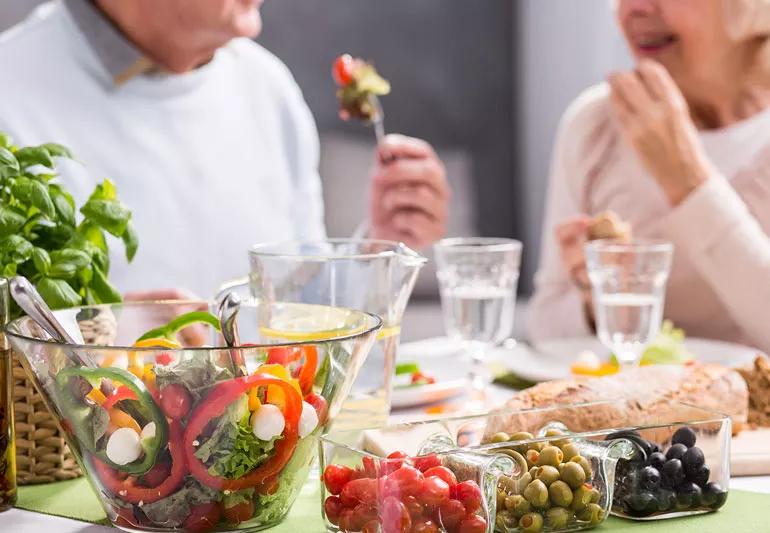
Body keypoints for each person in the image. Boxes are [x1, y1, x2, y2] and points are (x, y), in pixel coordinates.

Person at [0, 0, 449, 298]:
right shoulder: (11, 92)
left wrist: (377, 248)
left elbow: (297, 307)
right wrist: (104, 341)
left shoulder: (266, 87)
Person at [529, 0, 770, 352]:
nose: (633, 9)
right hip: (636, 404)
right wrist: (598, 302)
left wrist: (689, 183)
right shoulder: (595, 124)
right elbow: (546, 327)